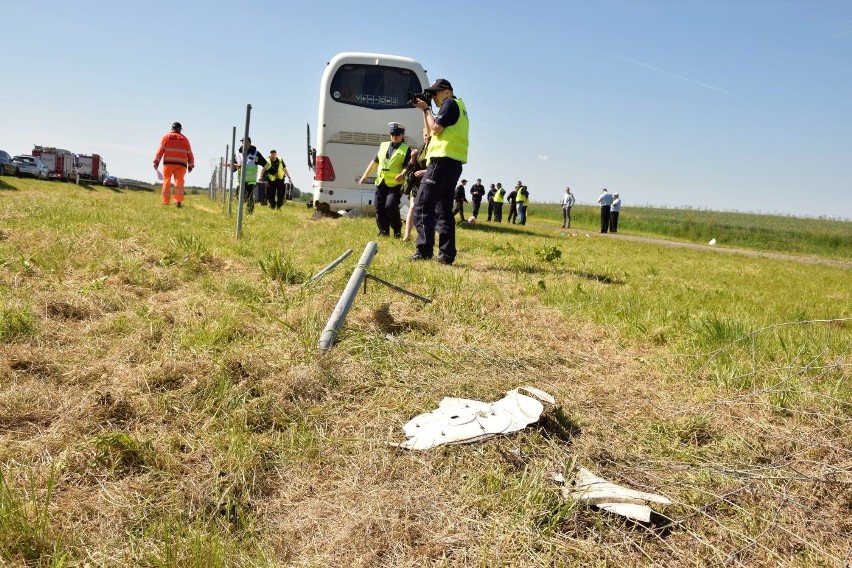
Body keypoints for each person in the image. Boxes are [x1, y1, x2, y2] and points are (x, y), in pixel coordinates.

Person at [410, 78, 469, 265]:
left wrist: (427, 109)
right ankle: (446, 255)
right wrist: (424, 111)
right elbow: (428, 133)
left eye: (435, 93)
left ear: (447, 91)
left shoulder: (450, 103)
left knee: (421, 206)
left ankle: (424, 251)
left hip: (441, 163)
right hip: (453, 164)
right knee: (443, 210)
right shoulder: (459, 105)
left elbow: (436, 129)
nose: (434, 97)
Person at [359, 122, 412, 238]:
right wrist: (365, 175)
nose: (394, 136)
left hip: (395, 184)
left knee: (390, 206)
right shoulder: (383, 145)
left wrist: (402, 174)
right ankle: (383, 232)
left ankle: (397, 230)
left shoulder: (406, 149)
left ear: (403, 135)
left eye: (397, 134)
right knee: (379, 206)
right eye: (392, 134)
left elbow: (409, 165)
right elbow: (374, 162)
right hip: (381, 182)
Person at [153, 122, 194, 208]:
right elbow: (189, 153)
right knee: (179, 182)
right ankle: (178, 201)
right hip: (181, 165)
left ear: (172, 128)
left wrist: (156, 161)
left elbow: (160, 150)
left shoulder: (166, 137)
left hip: (168, 164)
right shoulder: (185, 139)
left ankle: (165, 201)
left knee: (166, 181)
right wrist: (191, 165)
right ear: (179, 129)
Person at [402, 128, 430, 241]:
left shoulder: (436, 149)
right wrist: (413, 157)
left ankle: (425, 236)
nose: (427, 137)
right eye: (425, 134)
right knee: (413, 207)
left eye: (429, 134)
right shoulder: (420, 147)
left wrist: (425, 172)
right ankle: (407, 236)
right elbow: (412, 166)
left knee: (427, 210)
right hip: (417, 182)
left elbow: (438, 167)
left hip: (430, 182)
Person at [233, 137, 268, 215]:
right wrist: (233, 167)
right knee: (239, 197)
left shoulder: (255, 153)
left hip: (250, 181)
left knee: (249, 198)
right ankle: (239, 214)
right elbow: (233, 168)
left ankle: (249, 213)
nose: (243, 144)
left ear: (249, 143)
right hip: (240, 181)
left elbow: (265, 164)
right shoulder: (237, 153)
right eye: (242, 142)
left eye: (245, 142)